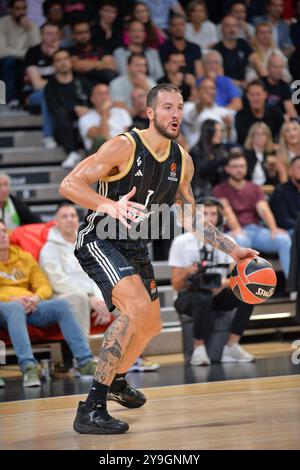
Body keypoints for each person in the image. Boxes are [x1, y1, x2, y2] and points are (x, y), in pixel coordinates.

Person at [59, 83, 258, 435]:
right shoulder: (123, 145)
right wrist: (110, 205)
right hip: (101, 238)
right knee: (134, 308)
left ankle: (117, 380)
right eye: (167, 107)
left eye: (180, 107)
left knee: (151, 324)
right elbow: (70, 185)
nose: (176, 114)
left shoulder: (182, 160)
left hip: (136, 245)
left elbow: (190, 217)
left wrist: (233, 249)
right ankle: (91, 407)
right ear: (150, 113)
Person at [0, 219, 97, 387]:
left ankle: (85, 362)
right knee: (15, 308)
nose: (2, 236)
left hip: (30, 305)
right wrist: (10, 299)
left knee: (62, 305)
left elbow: (44, 285)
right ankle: (29, 367)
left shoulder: (24, 257)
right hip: (5, 308)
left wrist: (36, 297)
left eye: (3, 231)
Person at [169, 198, 254, 365]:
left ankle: (232, 345)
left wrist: (221, 284)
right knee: (203, 297)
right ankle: (198, 349)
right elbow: (176, 285)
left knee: (248, 294)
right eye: (204, 214)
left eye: (213, 214)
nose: (208, 218)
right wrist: (187, 271)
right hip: (189, 296)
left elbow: (239, 279)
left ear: (220, 217)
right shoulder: (181, 242)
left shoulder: (228, 243)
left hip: (218, 293)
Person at [213, 151, 292, 279]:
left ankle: (292, 286)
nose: (239, 170)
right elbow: (226, 210)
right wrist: (237, 229)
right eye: (235, 166)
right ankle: (244, 287)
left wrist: (273, 229)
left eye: (242, 166)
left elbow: (263, 209)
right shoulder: (220, 189)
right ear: (227, 169)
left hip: (255, 230)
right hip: (234, 231)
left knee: (284, 239)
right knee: (240, 241)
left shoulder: (254, 187)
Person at [39, 202, 111, 339]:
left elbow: (99, 274)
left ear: (78, 220)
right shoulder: (49, 248)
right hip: (60, 295)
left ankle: (135, 356)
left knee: (122, 299)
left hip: (94, 295)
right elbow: (58, 282)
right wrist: (90, 297)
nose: (69, 219)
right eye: (64, 216)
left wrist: (102, 300)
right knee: (80, 298)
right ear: (56, 222)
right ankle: (84, 358)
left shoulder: (88, 244)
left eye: (72, 216)